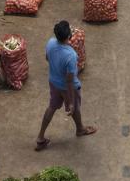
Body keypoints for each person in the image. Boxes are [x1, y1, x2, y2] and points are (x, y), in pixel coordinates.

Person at [38, 20, 96, 150]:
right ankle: (80, 129)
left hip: (53, 82)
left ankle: (40, 137)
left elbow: (47, 58)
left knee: (51, 107)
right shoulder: (71, 55)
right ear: (69, 36)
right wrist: (69, 101)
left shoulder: (50, 43)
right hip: (67, 88)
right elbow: (69, 81)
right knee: (74, 108)